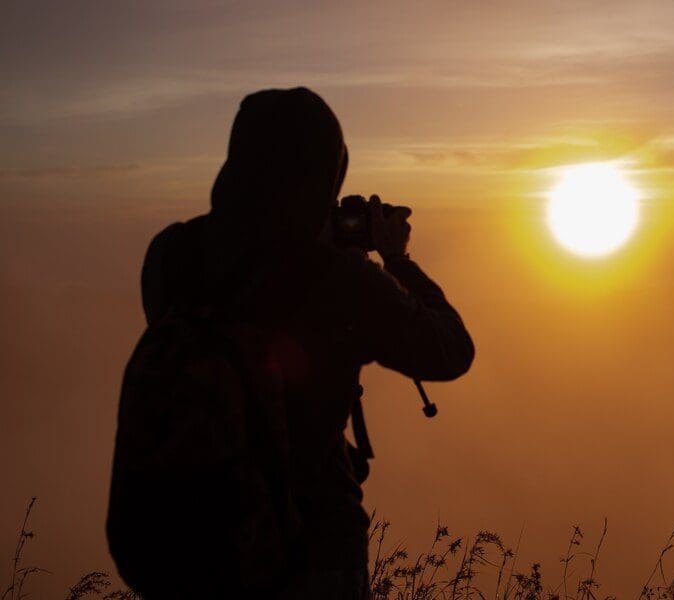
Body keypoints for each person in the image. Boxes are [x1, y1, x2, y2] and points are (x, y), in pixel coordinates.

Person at [139, 87, 474, 598]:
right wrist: (396, 261)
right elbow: (450, 350)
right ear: (325, 174)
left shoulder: (172, 254)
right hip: (311, 559)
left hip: (194, 552)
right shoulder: (338, 283)